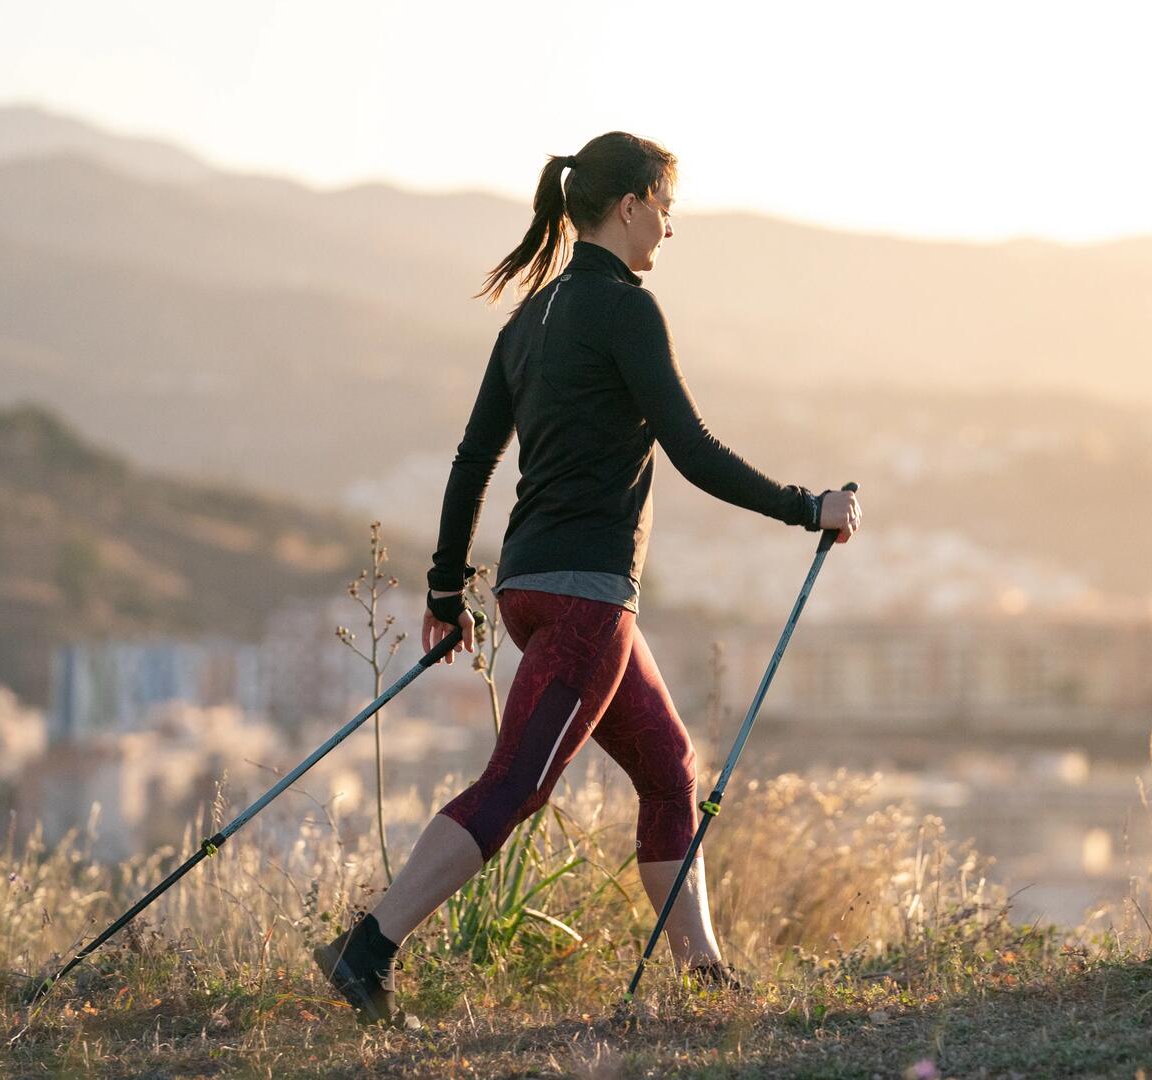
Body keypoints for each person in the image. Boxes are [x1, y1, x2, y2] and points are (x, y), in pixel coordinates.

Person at [314, 131, 862, 1025]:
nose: (670, 232)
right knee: (518, 784)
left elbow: (470, 461)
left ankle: (702, 977)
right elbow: (692, 450)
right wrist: (810, 507)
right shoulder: (626, 310)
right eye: (668, 211)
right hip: (586, 598)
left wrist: (445, 597)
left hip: (532, 590)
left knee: (670, 768)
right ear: (633, 202)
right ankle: (366, 948)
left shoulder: (527, 320)